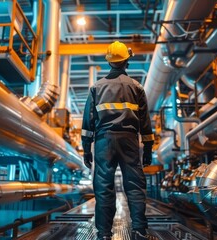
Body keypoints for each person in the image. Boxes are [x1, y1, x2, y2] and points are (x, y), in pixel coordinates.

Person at [81, 41, 155, 240]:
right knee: (135, 186)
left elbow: (88, 122)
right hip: (129, 141)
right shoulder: (137, 87)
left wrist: (86, 149)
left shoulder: (96, 88)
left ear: (109, 62)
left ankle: (104, 234)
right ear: (126, 61)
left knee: (104, 187)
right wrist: (148, 148)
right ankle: (139, 229)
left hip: (104, 142)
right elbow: (145, 121)